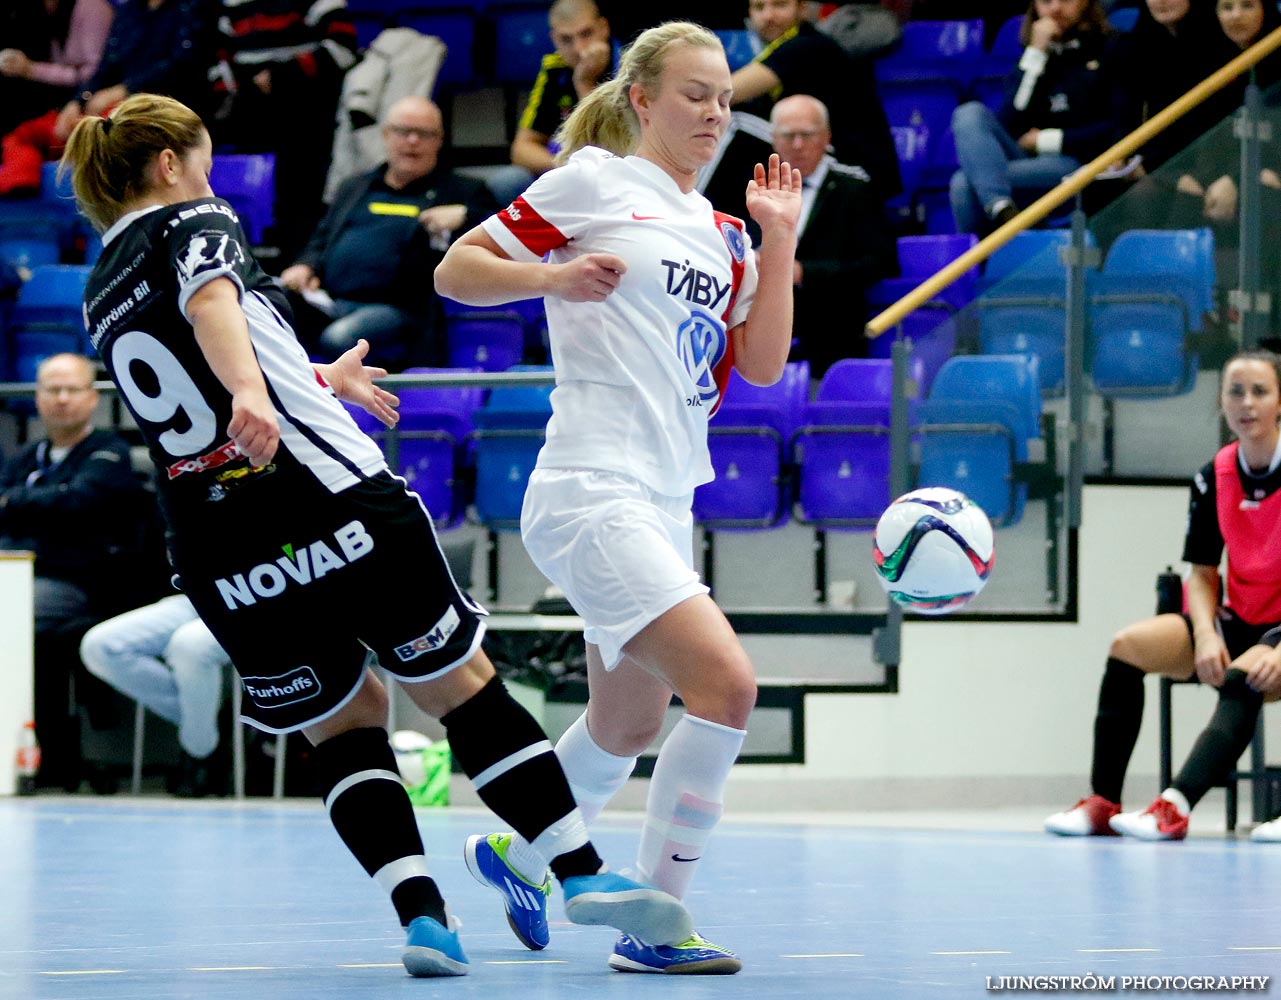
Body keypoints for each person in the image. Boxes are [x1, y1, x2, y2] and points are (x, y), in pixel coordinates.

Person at [60, 91, 693, 977]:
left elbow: (192, 366)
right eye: (200, 158)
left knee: (343, 724)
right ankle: (580, 874)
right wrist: (258, 394)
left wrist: (312, 378)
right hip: (327, 497)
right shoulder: (192, 216)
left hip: (219, 543)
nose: (209, 176)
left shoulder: (99, 284)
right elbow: (211, 304)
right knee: (457, 684)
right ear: (168, 165)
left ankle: (422, 919)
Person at [435, 21, 801, 974]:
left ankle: (519, 856)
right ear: (641, 100)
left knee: (628, 724)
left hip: (665, 497)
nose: (715, 112)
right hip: (591, 486)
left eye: (724, 97)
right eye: (694, 94)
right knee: (727, 685)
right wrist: (549, 276)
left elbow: (759, 366)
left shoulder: (726, 233)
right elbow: (456, 270)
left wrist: (780, 243)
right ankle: (656, 923)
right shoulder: (594, 182)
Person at [1045, 349, 1281, 840]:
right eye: (1235, 391)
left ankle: (1173, 807)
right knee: (1126, 647)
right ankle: (1102, 803)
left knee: (1242, 676)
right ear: (1221, 400)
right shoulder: (1213, 475)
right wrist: (1204, 633)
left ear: (1280, 402)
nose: (1247, 402)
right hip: (1235, 620)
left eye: (1260, 391)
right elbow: (1201, 573)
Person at [0, 353, 154, 790]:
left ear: (92, 398)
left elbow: (82, 503)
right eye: (52, 389)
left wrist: (19, 505)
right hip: (19, 575)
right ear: (37, 397)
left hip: (82, 583)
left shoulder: (109, 451)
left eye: (72, 389)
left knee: (17, 616)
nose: (62, 399)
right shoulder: (26, 457)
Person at [278, 96, 496, 368]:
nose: (413, 141)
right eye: (404, 132)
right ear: (386, 135)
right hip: (327, 301)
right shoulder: (355, 187)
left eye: (424, 134)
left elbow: (500, 225)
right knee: (266, 300)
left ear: (439, 140)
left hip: (399, 310)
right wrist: (304, 266)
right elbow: (321, 239)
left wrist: (466, 215)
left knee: (339, 338)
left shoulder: (464, 191)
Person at [0, 0, 213, 197]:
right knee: (23, 136)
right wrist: (77, 102)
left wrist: (125, 89)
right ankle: (23, 194)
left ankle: (100, 196)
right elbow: (105, 66)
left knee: (102, 129)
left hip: (158, 108)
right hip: (109, 105)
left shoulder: (192, 8)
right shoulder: (130, 10)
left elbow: (183, 64)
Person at [948, 0, 1123, 235]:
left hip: (1077, 162)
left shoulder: (1111, 47)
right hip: (1027, 160)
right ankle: (1002, 210)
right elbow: (1010, 123)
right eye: (1047, 1)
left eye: (1067, 0)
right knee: (968, 113)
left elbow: (1116, 126)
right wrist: (1035, 54)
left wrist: (1046, 140)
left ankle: (990, 252)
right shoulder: (1035, 56)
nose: (1056, 9)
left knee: (963, 183)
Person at [207, 0, 359, 258]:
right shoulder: (232, 5)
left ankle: (298, 267)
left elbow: (342, 49)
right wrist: (243, 85)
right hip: (248, 105)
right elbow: (217, 59)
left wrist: (281, 77)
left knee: (300, 196)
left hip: (307, 106)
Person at [765, 94, 893, 374]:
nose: (797, 145)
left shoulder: (855, 188)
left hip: (833, 333)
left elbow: (879, 264)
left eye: (807, 135)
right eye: (788, 136)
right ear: (774, 140)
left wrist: (804, 273)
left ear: (826, 138)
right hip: (766, 332)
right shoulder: (756, 190)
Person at [730, 0, 901, 205]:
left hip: (858, 171)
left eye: (780, 5)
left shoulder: (807, 46)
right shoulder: (782, 49)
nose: (768, 16)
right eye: (759, 8)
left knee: (733, 120)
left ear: (802, 9)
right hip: (824, 163)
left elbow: (726, 92)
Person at [80, 594, 230, 797]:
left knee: (189, 645)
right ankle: (207, 719)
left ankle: (200, 750)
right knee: (99, 647)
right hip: (193, 596)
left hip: (253, 597)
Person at [487, 0, 618, 208]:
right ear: (555, 39)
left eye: (586, 34)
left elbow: (610, 149)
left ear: (604, 28)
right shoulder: (554, 67)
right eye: (566, 39)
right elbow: (521, 149)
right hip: (571, 171)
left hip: (619, 172)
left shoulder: (630, 64)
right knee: (508, 181)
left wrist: (585, 84)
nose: (579, 48)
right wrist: (568, 166)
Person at [0, 0, 113, 137]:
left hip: (89, 101)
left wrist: (30, 69)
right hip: (61, 101)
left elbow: (93, 74)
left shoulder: (92, 8)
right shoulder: (40, 11)